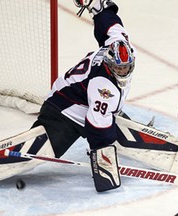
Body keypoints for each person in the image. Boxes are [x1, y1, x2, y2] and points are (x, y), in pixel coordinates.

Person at [31, 0, 135, 192]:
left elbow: (108, 22)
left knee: (106, 117)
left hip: (80, 97)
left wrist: (96, 5)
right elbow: (97, 126)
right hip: (63, 111)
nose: (122, 72)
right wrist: (104, 158)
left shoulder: (119, 43)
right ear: (109, 64)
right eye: (118, 68)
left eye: (126, 67)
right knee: (38, 154)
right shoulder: (103, 86)